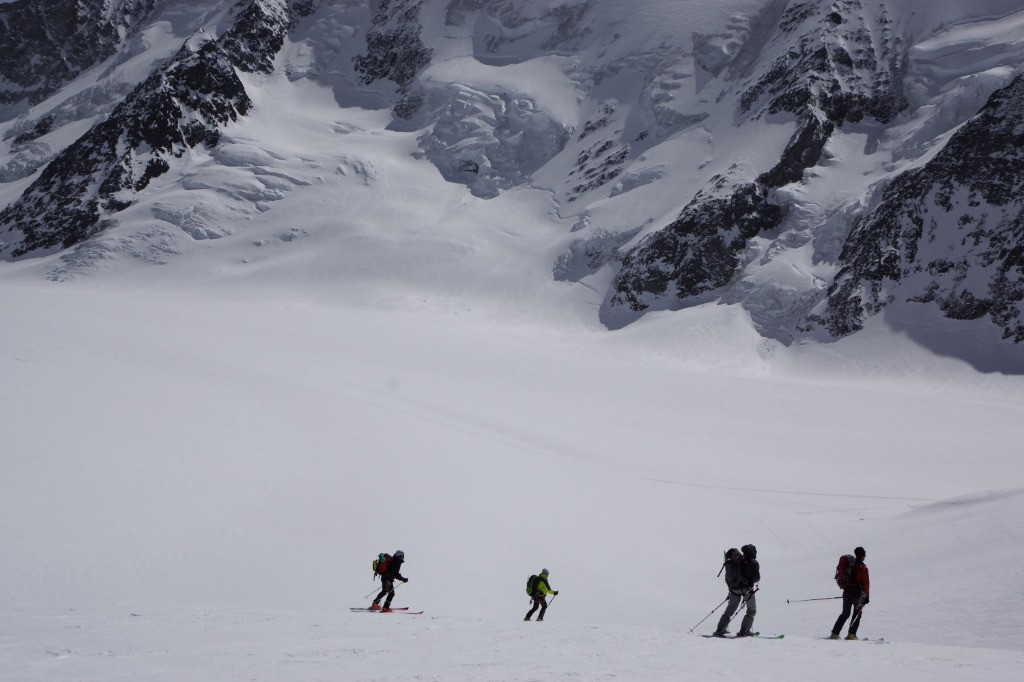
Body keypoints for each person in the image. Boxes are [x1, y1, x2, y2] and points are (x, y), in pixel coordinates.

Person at [713, 544, 760, 637]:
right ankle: (744, 630)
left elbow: (729, 578)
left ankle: (720, 629)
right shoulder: (749, 562)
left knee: (730, 610)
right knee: (751, 610)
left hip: (734, 590)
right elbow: (756, 578)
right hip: (747, 589)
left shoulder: (729, 563)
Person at [830, 546, 869, 640]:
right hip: (857, 595)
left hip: (847, 593)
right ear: (862, 555)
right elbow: (866, 584)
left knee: (845, 613)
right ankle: (851, 635)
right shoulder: (863, 568)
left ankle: (834, 634)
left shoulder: (849, 564)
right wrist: (866, 596)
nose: (865, 556)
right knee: (857, 614)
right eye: (864, 555)